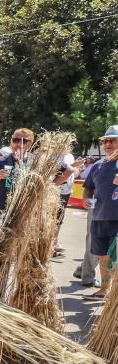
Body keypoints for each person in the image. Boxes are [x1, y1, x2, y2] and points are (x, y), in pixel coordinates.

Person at [80, 125, 118, 300]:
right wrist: (86, 199)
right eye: (106, 141)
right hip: (99, 218)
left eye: (113, 140)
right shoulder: (97, 166)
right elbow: (88, 188)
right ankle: (104, 290)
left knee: (115, 258)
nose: (108, 144)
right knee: (103, 256)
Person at [0, 128, 35, 234]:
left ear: (30, 144)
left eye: (24, 141)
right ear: (11, 141)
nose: (19, 144)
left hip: (23, 220)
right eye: (16, 140)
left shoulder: (35, 164)